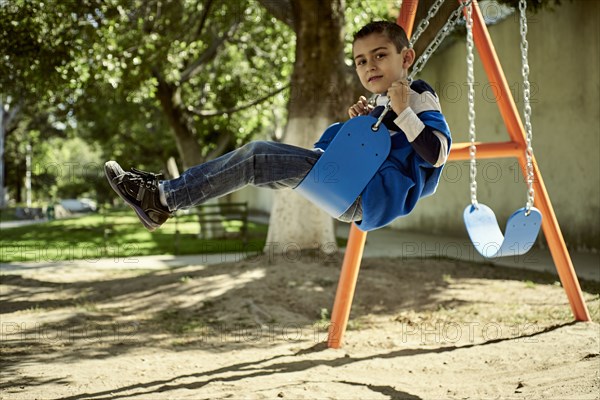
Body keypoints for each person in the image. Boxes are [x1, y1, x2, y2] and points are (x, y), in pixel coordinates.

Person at [105, 21, 451, 232]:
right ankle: (163, 198)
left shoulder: (417, 94)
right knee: (258, 163)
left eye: (380, 55)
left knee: (257, 157)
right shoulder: (382, 102)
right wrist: (360, 125)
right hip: (349, 185)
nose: (369, 66)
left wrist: (403, 111)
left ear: (406, 58)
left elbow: (436, 154)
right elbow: (381, 144)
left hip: (364, 193)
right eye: (361, 60)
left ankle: (163, 198)